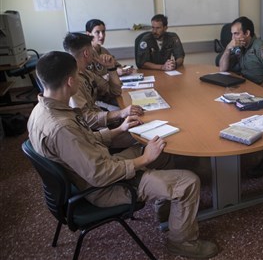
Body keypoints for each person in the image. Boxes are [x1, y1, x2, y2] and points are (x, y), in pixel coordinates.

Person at [27, 51, 218, 259]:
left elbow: (83, 143)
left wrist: (119, 130)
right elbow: (100, 173)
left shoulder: (42, 111)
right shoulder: (61, 127)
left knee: (162, 154)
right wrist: (144, 160)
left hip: (91, 170)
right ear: (71, 81)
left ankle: (168, 212)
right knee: (188, 183)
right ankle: (182, 244)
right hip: (102, 187)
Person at [219, 16, 263, 178]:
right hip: (246, 89)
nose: (233, 38)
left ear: (247, 33)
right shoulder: (240, 47)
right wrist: (228, 49)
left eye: (236, 34)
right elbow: (222, 69)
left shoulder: (261, 47)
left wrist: (257, 91)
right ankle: (239, 144)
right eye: (232, 34)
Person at [63, 32, 144, 151]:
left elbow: (115, 92)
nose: (94, 52)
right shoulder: (73, 82)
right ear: (86, 53)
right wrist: (121, 113)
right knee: (141, 134)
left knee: (138, 124)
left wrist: (111, 68)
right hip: (94, 135)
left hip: (101, 124)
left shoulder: (86, 73)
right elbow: (86, 119)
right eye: (91, 49)